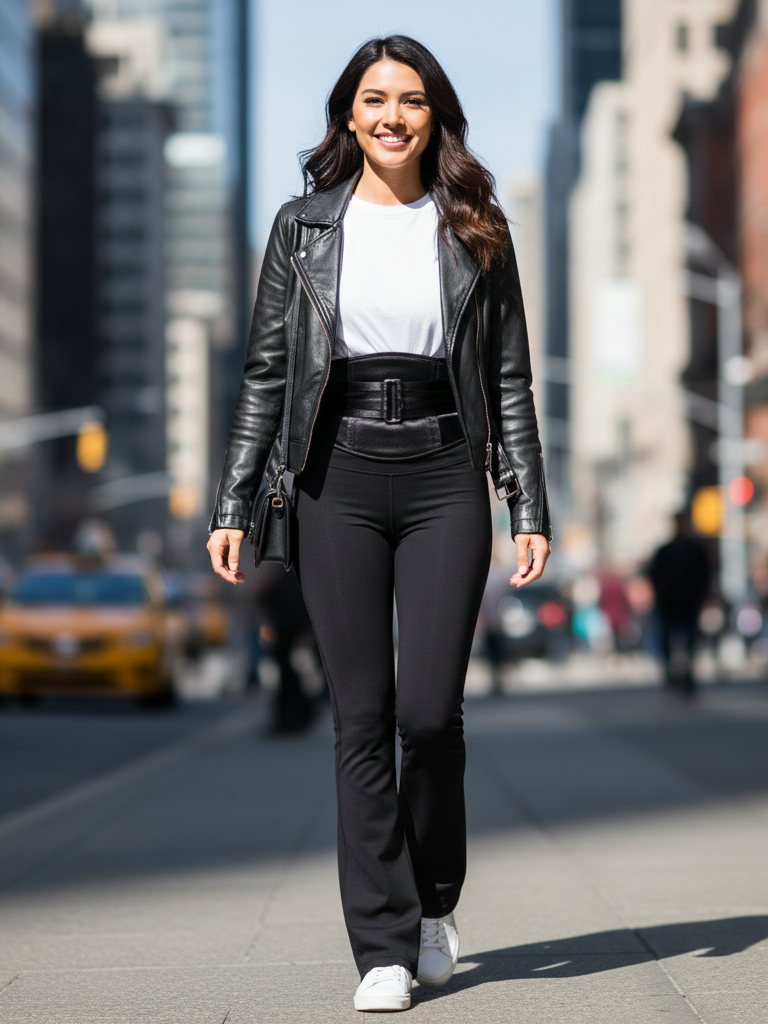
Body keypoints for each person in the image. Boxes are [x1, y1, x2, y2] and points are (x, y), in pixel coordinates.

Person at [207, 36, 551, 1012]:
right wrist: (235, 501)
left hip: (447, 469)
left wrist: (527, 499)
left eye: (410, 99)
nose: (392, 115)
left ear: (434, 114)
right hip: (334, 475)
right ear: (348, 116)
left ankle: (434, 898)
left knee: (431, 716)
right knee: (360, 717)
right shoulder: (302, 227)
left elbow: (510, 379)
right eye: (374, 99)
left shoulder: (477, 226)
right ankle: (385, 948)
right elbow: (267, 374)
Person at [648, 511, 711, 694]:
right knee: (667, 640)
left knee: (690, 641)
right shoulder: (665, 551)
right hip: (669, 603)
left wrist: (702, 596)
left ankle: (688, 676)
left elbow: (704, 575)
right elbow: (654, 575)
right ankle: (671, 676)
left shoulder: (694, 550)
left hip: (690, 602)